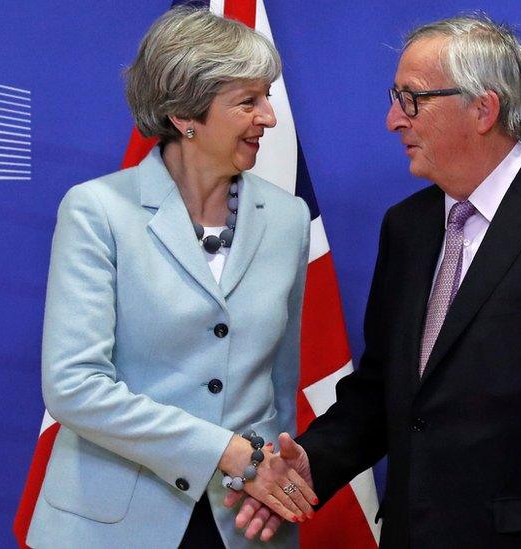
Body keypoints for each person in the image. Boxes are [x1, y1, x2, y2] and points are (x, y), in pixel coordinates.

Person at [235, 13, 521, 548]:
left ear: (483, 108)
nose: (394, 119)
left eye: (411, 99)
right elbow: (383, 393)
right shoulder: (408, 227)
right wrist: (309, 466)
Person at [26, 7, 316, 548]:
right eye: (248, 102)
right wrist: (225, 452)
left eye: (268, 98)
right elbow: (73, 386)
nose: (269, 118)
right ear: (186, 115)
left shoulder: (288, 219)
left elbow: (281, 386)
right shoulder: (98, 210)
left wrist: (271, 473)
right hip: (111, 525)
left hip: (244, 520)